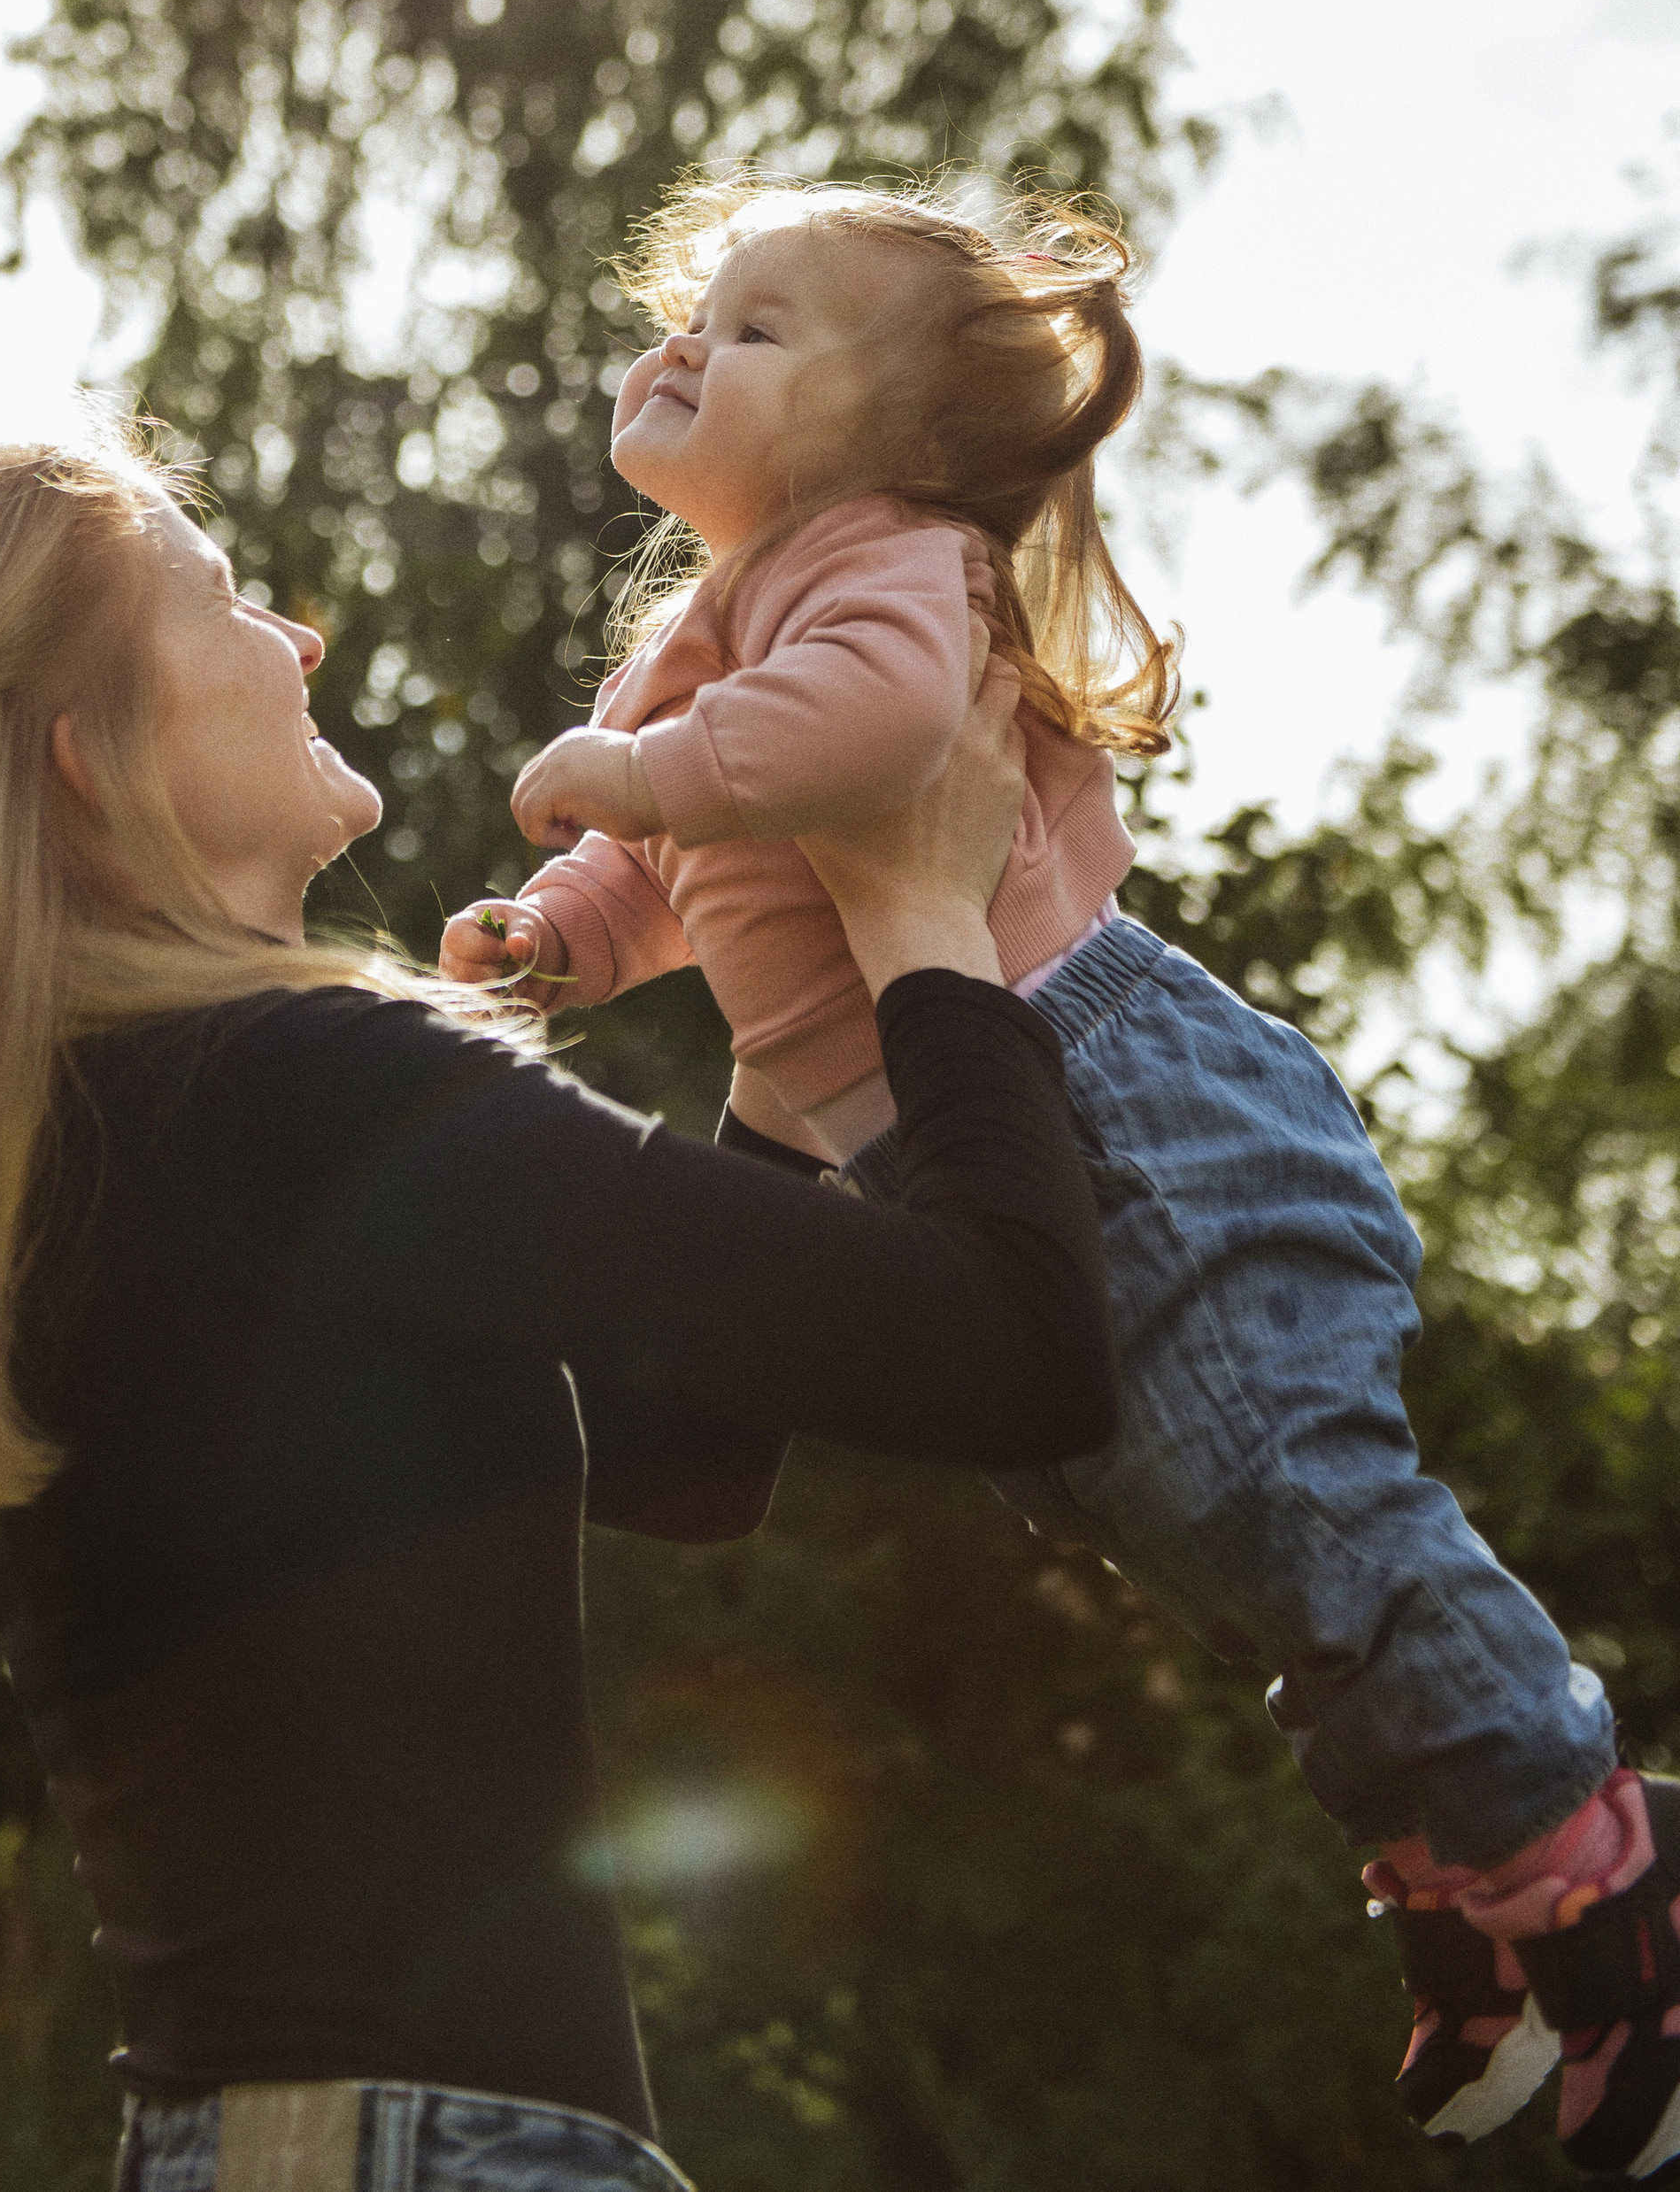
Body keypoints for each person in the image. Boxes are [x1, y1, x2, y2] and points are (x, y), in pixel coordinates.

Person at [0, 431, 1117, 2192]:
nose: (293, 641)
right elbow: (1019, 1350)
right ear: (87, 763)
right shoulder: (294, 1089)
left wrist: (784, 1016)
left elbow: (686, 1465)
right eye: (217, 606)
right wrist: (913, 909)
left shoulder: (95, 1129)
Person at [439, 171, 1680, 2180]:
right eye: (694, 310)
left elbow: (874, 728)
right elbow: (678, 864)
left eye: (757, 329)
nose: (686, 347)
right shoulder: (699, 640)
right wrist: (568, 922)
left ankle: (1602, 1873)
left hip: (1121, 1105)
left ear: (905, 439)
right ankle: (1468, 1873)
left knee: (1294, 1512)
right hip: (978, 1145)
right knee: (1229, 1566)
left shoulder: (890, 563)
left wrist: (645, 780)